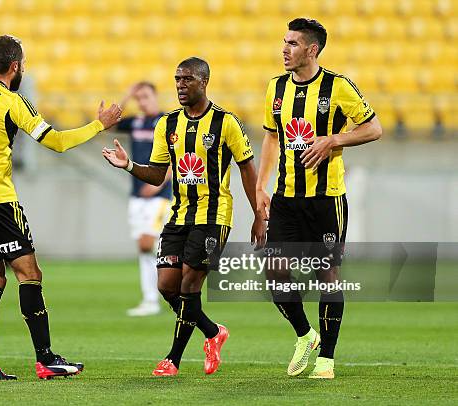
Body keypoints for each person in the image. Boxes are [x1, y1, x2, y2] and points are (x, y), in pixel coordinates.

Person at [0, 35, 121, 380]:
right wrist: (98, 125)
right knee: (29, 274)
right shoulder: (13, 101)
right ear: (15, 66)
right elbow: (57, 143)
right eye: (23, 64)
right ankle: (45, 359)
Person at [103, 57, 266, 377]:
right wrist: (129, 166)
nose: (180, 85)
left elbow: (247, 168)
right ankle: (213, 332)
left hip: (214, 215)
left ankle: (172, 359)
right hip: (179, 214)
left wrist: (259, 214)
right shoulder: (167, 124)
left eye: (187, 79)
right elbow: (156, 174)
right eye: (177, 79)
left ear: (204, 82)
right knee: (167, 286)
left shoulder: (225, 122)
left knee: (191, 279)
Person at [255, 18, 382, 379]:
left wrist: (334, 140)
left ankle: (326, 357)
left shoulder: (338, 87)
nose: (284, 48)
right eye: (283, 41)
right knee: (275, 270)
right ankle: (304, 334)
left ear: (312, 49)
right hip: (286, 198)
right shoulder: (275, 89)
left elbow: (374, 128)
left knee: (327, 273)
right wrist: (261, 186)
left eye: (292, 43)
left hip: (326, 199)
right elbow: (271, 138)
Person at [116, 82, 171, 317]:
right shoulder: (136, 122)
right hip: (137, 195)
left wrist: (160, 181)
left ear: (156, 97)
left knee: (147, 244)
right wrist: (127, 94)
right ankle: (151, 298)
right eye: (139, 98)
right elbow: (109, 123)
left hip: (159, 195)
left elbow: (176, 157)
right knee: (145, 249)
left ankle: (162, 293)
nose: (142, 102)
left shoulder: (166, 122)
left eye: (146, 97)